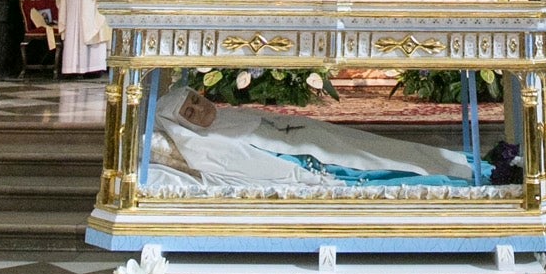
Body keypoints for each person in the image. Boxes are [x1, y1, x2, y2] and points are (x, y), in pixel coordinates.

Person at [147, 84, 484, 193]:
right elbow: (260, 170)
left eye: (194, 99)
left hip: (317, 138)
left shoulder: (227, 116)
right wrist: (308, 175)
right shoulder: (207, 149)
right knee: (379, 164)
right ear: (184, 127)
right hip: (315, 162)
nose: (199, 107)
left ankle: (464, 164)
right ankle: (455, 178)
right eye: (189, 113)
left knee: (380, 147)